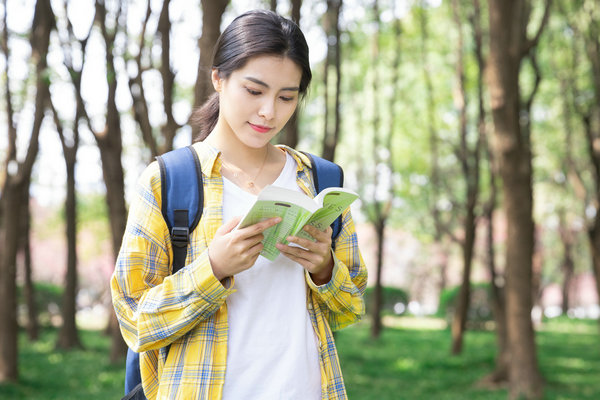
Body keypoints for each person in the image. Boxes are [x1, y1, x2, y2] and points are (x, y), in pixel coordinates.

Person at [111, 9, 367, 400]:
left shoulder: (317, 180)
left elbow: (350, 308)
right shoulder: (170, 179)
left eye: (287, 97)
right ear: (219, 78)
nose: (269, 111)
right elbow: (135, 322)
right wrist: (213, 269)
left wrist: (324, 269)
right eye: (254, 91)